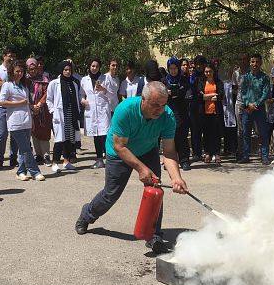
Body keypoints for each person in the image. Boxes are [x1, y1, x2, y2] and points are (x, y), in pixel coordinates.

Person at [74, 81, 188, 254]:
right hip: (119, 151)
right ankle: (87, 214)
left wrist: (176, 178)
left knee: (155, 190)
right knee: (110, 194)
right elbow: (120, 146)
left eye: (163, 105)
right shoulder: (125, 110)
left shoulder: (168, 116)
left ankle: (153, 236)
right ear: (143, 99)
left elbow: (170, 152)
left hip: (148, 149)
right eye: (155, 105)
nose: (160, 110)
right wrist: (141, 169)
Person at [0, 60, 45, 181]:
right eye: (17, 71)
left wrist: (32, 107)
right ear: (12, 72)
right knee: (26, 148)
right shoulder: (7, 85)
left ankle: (21, 171)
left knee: (24, 148)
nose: (20, 73)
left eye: (21, 71)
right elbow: (2, 102)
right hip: (15, 122)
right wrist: (19, 103)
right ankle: (35, 171)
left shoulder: (24, 86)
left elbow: (27, 102)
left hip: (26, 120)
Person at [47, 60, 81, 173]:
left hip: (71, 115)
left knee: (69, 140)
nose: (67, 72)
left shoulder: (74, 84)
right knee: (59, 140)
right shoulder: (54, 83)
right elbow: (49, 99)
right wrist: (52, 111)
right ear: (61, 71)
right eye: (65, 70)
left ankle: (66, 162)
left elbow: (76, 99)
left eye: (69, 70)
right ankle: (55, 162)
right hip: (60, 115)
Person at [80, 58, 115, 168]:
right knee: (96, 135)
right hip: (91, 110)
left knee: (105, 135)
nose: (94, 68)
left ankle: (110, 158)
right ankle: (99, 159)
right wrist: (82, 100)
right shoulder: (84, 80)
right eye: (92, 66)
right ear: (89, 67)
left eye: (97, 66)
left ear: (100, 67)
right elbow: (81, 94)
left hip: (102, 110)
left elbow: (112, 95)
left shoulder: (106, 78)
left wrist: (104, 90)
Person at [239, 53, 272, 164]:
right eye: (253, 62)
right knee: (245, 133)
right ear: (250, 63)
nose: (255, 64)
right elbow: (242, 92)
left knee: (263, 133)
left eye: (257, 62)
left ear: (260, 63)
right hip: (247, 109)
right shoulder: (245, 77)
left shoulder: (265, 77)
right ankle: (246, 155)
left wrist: (256, 104)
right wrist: (248, 104)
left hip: (260, 109)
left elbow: (265, 93)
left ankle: (264, 156)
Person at [0, 48, 19, 169]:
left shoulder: (16, 71)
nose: (11, 58)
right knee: (2, 134)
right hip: (1, 106)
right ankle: (0, 159)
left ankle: (13, 159)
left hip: (14, 105)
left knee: (14, 134)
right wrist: (9, 83)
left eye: (13, 55)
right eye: (9, 55)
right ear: (4, 56)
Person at [164, 57, 191, 170]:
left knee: (182, 135)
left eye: (175, 68)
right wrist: (173, 93)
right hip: (168, 111)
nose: (173, 70)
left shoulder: (184, 79)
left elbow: (185, 93)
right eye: (171, 68)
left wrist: (174, 92)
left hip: (181, 111)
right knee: (170, 136)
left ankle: (184, 160)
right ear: (168, 69)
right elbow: (163, 93)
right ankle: (170, 161)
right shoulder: (164, 80)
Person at [26, 58, 52, 165]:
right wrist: (32, 106)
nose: (33, 71)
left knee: (44, 133)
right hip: (30, 109)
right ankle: (39, 155)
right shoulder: (25, 80)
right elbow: (23, 93)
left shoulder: (44, 79)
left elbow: (47, 93)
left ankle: (46, 155)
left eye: (34, 68)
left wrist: (39, 105)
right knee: (34, 132)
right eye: (30, 69)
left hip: (43, 111)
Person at [200, 63, 224, 163]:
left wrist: (208, 96)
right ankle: (208, 153)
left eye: (210, 71)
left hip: (216, 111)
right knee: (206, 133)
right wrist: (213, 95)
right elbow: (200, 96)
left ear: (213, 72)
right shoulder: (201, 82)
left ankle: (217, 153)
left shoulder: (218, 82)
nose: (208, 73)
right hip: (205, 112)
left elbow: (221, 95)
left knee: (216, 133)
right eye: (206, 71)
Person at [189, 55, 207, 161]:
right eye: (197, 64)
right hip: (195, 105)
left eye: (201, 64)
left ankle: (208, 152)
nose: (199, 66)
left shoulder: (208, 74)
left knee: (207, 129)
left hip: (206, 104)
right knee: (195, 130)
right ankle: (197, 153)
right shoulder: (193, 76)